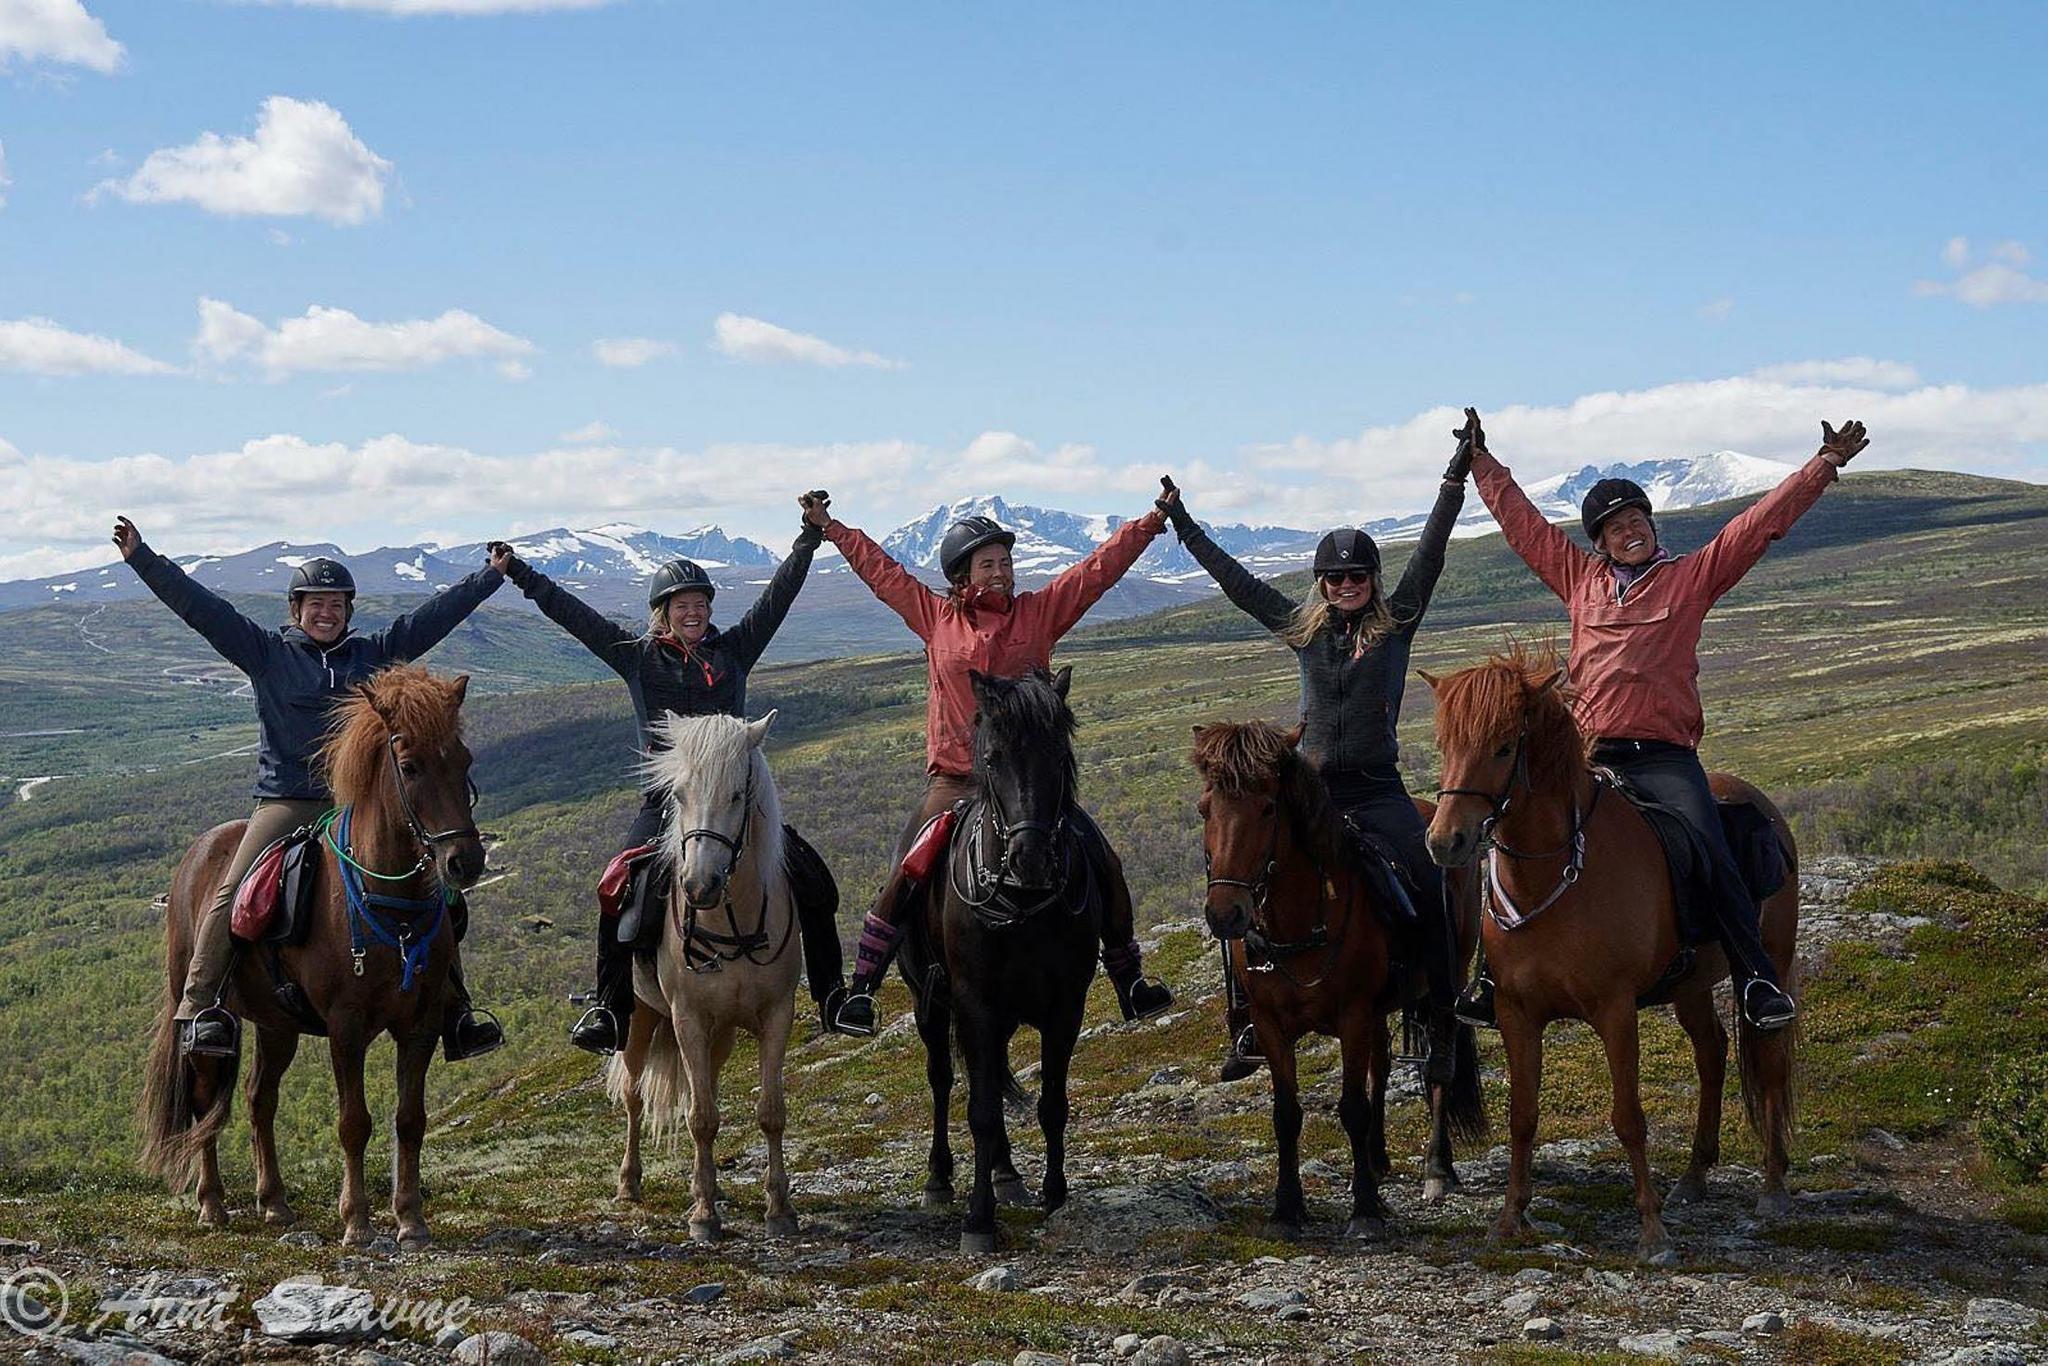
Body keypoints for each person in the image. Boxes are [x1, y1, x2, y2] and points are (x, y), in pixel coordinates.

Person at [1457, 410, 1870, 1030]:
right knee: (1508, 827)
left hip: (1664, 757)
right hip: (1588, 754)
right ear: (1597, 542)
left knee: (1708, 846)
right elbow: (1525, 527)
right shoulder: (1578, 580)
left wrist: (1823, 465)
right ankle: (1491, 976)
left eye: (1636, 521)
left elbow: (1756, 528)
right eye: (1615, 528)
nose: (1630, 532)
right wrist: (1481, 464)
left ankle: (1755, 975)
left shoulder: (1691, 577)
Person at [113, 516, 507, 1060]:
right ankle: (199, 1006)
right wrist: (142, 559)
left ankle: (455, 1008)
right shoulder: (266, 654)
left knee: (438, 890)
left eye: (337, 604)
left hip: (357, 805)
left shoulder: (371, 655)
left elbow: (428, 622)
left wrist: (488, 577)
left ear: (348, 611)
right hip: (288, 802)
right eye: (316, 603)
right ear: (296, 610)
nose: (327, 613)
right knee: (231, 893)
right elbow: (201, 609)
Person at [807, 493, 1176, 1036]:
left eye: (1006, 562)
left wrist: (1150, 523)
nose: (1001, 573)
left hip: (1027, 786)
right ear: (962, 574)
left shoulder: (1040, 613)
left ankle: (1130, 979)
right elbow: (882, 573)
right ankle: (862, 989)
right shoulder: (935, 618)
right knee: (906, 870)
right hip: (956, 779)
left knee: (1103, 859)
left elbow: (1096, 572)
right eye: (989, 564)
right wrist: (831, 528)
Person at [489, 509, 852, 1054]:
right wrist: (520, 573)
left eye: (701, 605)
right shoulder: (637, 659)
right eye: (683, 605)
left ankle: (833, 996)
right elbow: (572, 613)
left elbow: (777, 598)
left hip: (735, 803)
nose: (694, 613)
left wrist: (805, 541)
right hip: (666, 803)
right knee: (616, 888)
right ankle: (610, 1008)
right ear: (663, 612)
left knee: (814, 881)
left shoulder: (733, 653)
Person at [1161, 450, 1471, 1081]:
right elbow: (1239, 584)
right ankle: (1246, 1016)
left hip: (1378, 788)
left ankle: (1443, 1017)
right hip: (1314, 791)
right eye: (1334, 577)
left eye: (1356, 575)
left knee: (1429, 875)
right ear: (1321, 583)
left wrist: (1452, 481)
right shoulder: (1302, 629)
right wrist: (1185, 526)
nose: (1345, 585)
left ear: (1373, 580)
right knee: (1243, 873)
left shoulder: (1397, 624)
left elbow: (1430, 555)